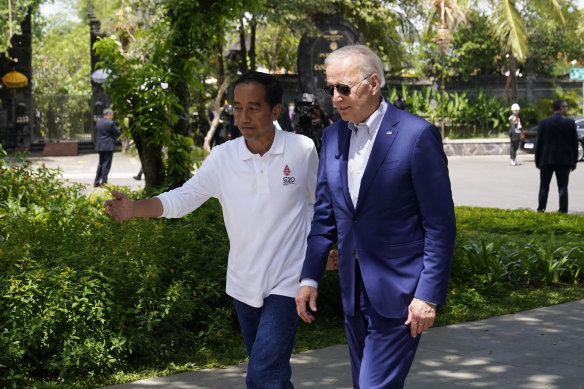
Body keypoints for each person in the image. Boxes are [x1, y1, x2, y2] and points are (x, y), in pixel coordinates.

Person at [105, 71, 319, 388]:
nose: (243, 116)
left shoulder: (302, 150)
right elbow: (183, 198)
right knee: (272, 373)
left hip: (288, 281)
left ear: (275, 112)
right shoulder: (223, 157)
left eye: (254, 108)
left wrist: (317, 252)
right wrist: (135, 208)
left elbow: (318, 204)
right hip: (244, 281)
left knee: (261, 375)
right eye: (238, 107)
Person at [295, 45, 456, 389]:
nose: (335, 98)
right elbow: (326, 217)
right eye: (330, 88)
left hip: (401, 296)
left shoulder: (416, 135)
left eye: (343, 88)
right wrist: (309, 278)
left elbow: (439, 225)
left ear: (373, 83)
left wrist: (427, 296)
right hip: (353, 294)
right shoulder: (333, 136)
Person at [535, 99, 578, 213]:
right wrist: (574, 161)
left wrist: (537, 160)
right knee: (563, 187)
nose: (567, 109)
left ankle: (541, 209)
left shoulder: (544, 122)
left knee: (544, 186)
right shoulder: (570, 122)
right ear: (561, 108)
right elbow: (575, 143)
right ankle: (563, 211)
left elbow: (539, 143)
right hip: (565, 161)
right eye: (566, 106)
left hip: (547, 159)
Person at [94, 108, 121, 187]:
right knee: (106, 164)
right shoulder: (110, 123)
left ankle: (96, 181)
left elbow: (96, 132)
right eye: (112, 115)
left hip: (100, 146)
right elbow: (118, 132)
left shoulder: (98, 123)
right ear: (109, 114)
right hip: (108, 146)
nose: (112, 116)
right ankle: (104, 182)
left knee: (101, 164)